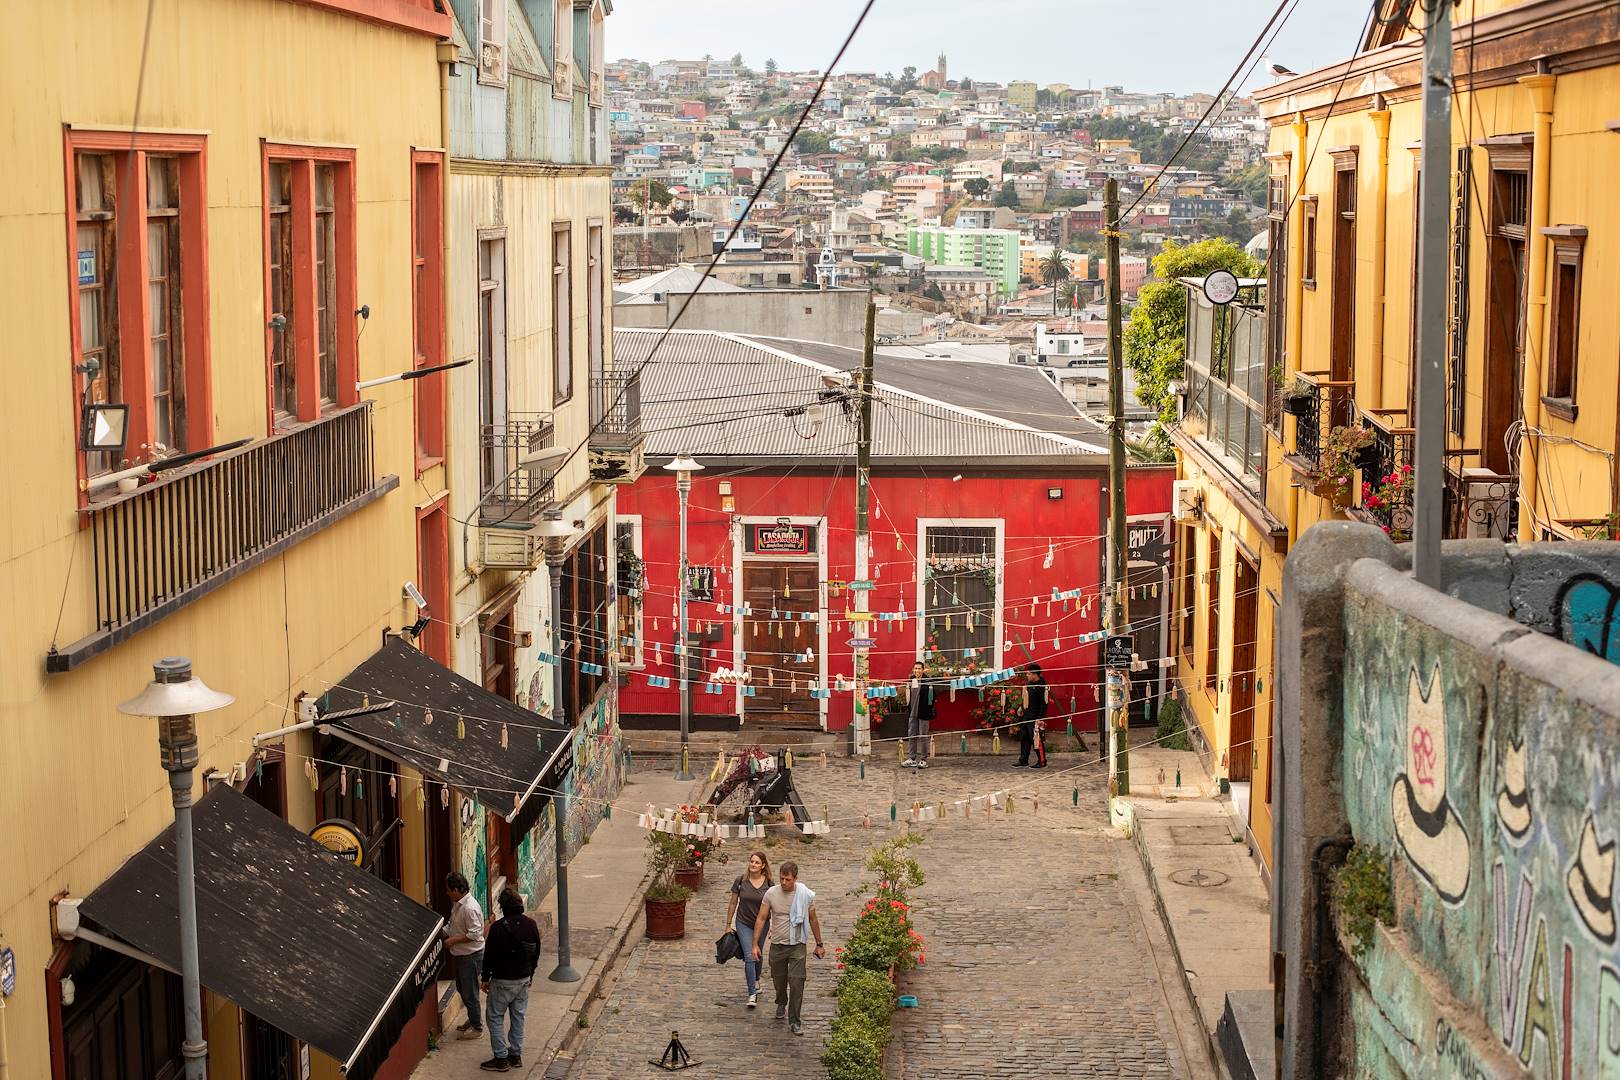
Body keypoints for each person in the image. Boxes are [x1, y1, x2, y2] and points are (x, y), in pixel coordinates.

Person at [750, 861, 825, 1035]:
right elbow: (761, 918)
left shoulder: (804, 895)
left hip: (798, 945)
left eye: (788, 880)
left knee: (797, 982)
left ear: (795, 879)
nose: (784, 883)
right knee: (779, 980)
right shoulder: (771, 894)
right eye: (782, 879)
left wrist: (819, 943)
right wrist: (755, 944)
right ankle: (781, 1001)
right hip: (778, 944)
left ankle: (794, 1021)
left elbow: (813, 919)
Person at [479, 888, 541, 1072]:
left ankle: (500, 1058)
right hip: (523, 979)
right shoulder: (531, 925)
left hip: (502, 981)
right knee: (518, 1016)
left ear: (503, 907)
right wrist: (531, 975)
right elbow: (536, 952)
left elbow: (488, 956)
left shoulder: (498, 928)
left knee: (495, 1016)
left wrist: (485, 978)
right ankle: (515, 1054)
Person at [724, 851, 774, 1009]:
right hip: (743, 923)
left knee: (758, 953)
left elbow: (774, 906)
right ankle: (752, 993)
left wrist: (773, 926)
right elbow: (733, 903)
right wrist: (728, 924)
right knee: (749, 955)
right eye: (752, 861)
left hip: (762, 924)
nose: (753, 864)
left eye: (757, 862)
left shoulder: (769, 884)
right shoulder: (741, 881)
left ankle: (756, 979)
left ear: (763, 866)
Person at [443, 872, 486, 1041]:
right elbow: (452, 924)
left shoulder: (469, 908)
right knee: (462, 988)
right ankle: (473, 1018)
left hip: (471, 956)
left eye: (448, 890)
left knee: (470, 992)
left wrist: (453, 940)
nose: (447, 893)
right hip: (462, 956)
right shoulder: (458, 905)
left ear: (455, 890)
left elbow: (476, 933)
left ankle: (477, 1027)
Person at [902, 661, 937, 769]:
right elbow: (908, 696)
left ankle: (923, 759)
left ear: (923, 670)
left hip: (923, 713)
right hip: (912, 713)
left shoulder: (928, 681)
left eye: (919, 669)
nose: (917, 671)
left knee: (923, 736)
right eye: (915, 668)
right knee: (911, 735)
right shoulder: (911, 680)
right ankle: (912, 758)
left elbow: (933, 697)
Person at [1015, 664, 1048, 768]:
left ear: (1035, 674)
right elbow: (1025, 697)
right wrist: (1021, 707)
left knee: (1036, 739)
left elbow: (1044, 703)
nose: (1027, 676)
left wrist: (1040, 718)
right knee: (1024, 738)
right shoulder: (1029, 684)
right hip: (1026, 716)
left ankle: (1042, 761)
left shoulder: (1042, 687)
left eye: (1029, 674)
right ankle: (1023, 760)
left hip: (1035, 717)